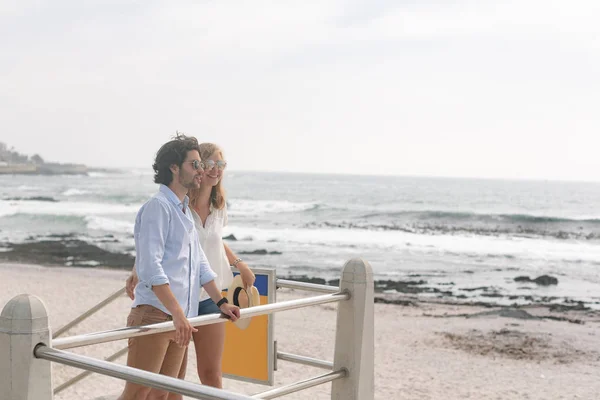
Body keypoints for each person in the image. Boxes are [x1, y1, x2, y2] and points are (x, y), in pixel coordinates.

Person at [126, 142, 255, 392]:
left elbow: (200, 263)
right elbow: (151, 266)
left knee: (163, 394)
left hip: (180, 316)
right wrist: (177, 313)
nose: (201, 170)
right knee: (137, 395)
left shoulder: (183, 210)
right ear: (174, 168)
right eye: (195, 164)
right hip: (157, 312)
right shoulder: (158, 207)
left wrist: (221, 302)